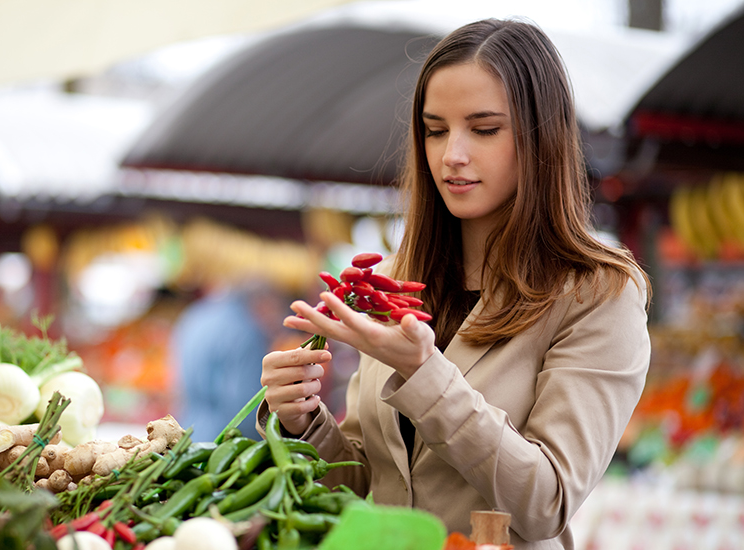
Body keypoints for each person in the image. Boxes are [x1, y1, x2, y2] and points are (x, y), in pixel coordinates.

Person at [258, 18, 651, 550]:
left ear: (542, 137)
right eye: (435, 129)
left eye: (484, 129)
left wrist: (424, 372)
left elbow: (545, 503)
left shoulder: (597, 295)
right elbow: (366, 486)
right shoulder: (396, 281)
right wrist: (304, 423)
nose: (452, 156)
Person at [172, 279, 289, 441]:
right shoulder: (245, 331)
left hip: (189, 433)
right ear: (263, 302)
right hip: (224, 446)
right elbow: (246, 408)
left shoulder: (195, 315)